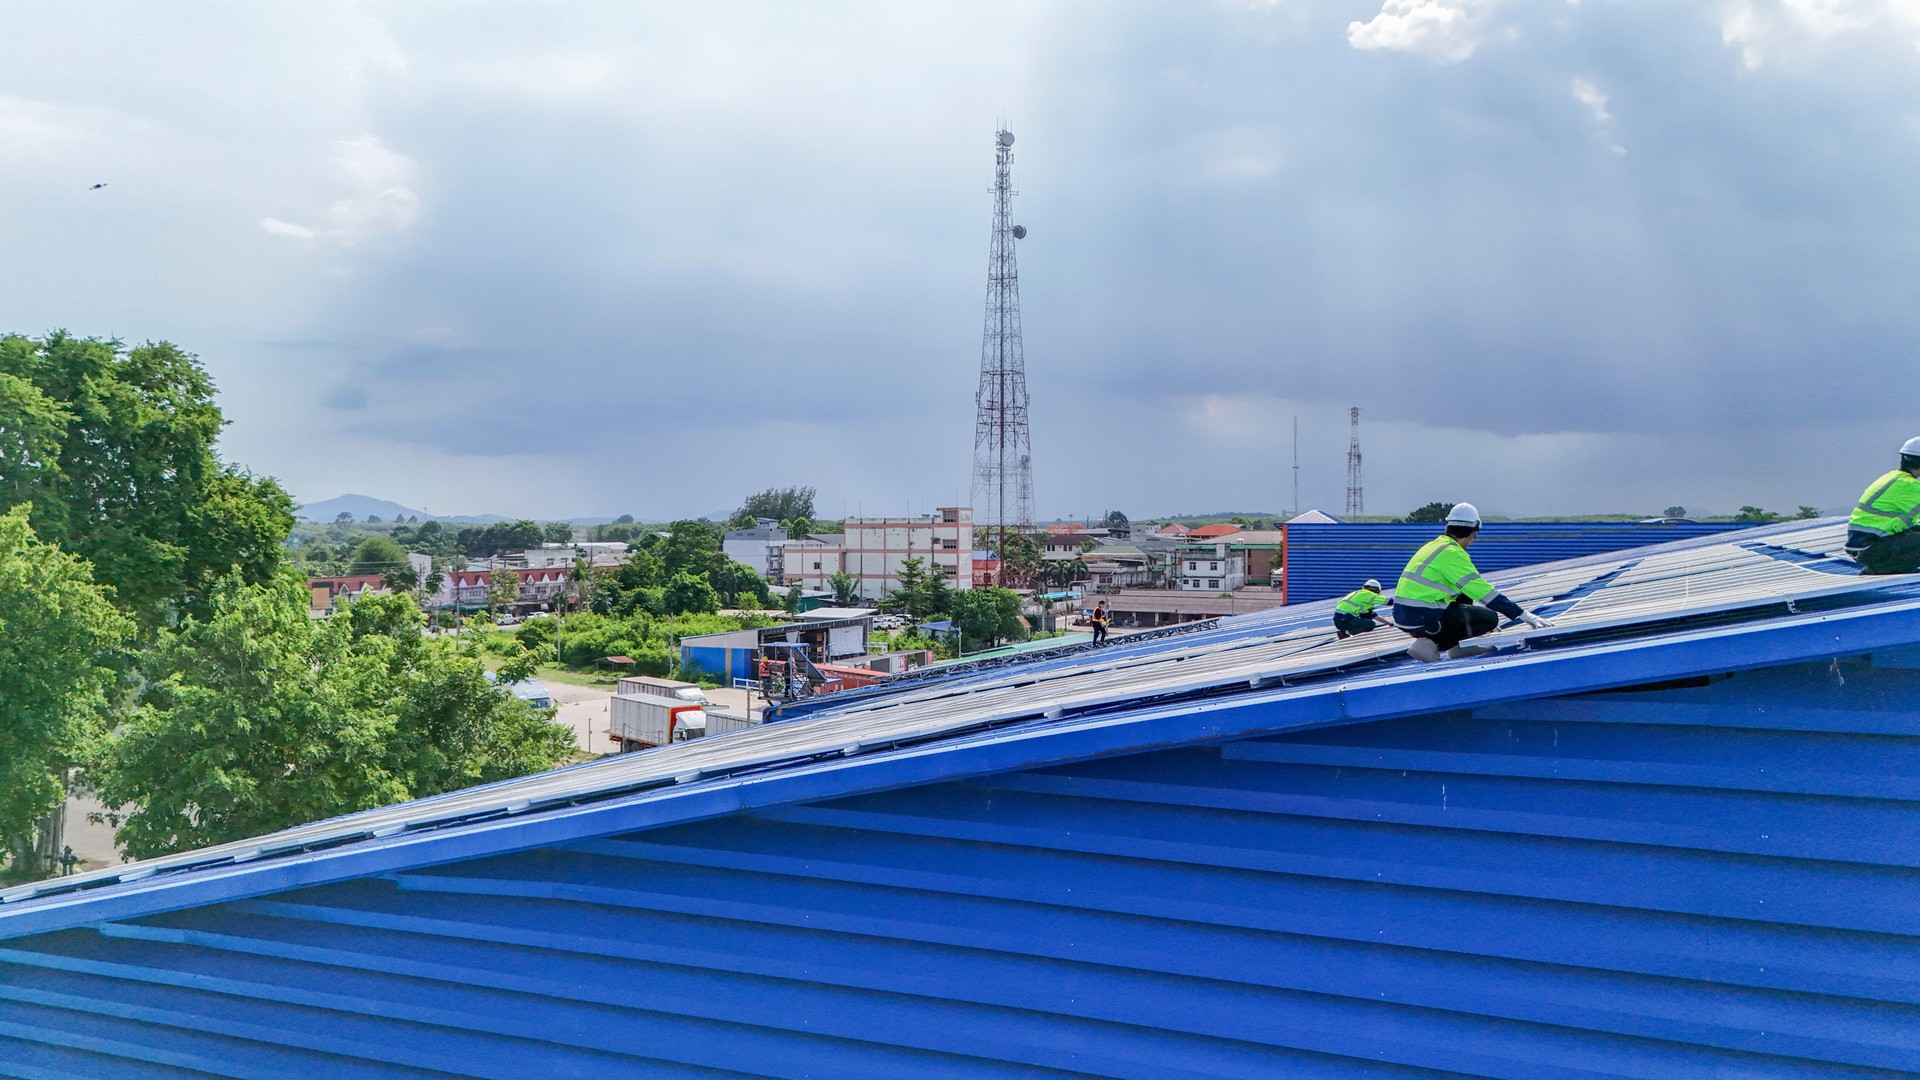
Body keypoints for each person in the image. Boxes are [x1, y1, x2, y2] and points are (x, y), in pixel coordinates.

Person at [1390, 503, 1553, 662]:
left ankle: (1456, 648)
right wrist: (1522, 614)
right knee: (1489, 618)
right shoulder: (1453, 554)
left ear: (1447, 528)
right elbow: (1483, 591)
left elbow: (1466, 592)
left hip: (1404, 616)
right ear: (1473, 533)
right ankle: (1429, 645)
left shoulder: (1434, 546)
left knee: (1463, 594)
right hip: (1423, 618)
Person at [1846, 437, 1920, 575]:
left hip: (1864, 546)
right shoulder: (1908, 486)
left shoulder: (1893, 477)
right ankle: (1880, 569)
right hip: (1870, 548)